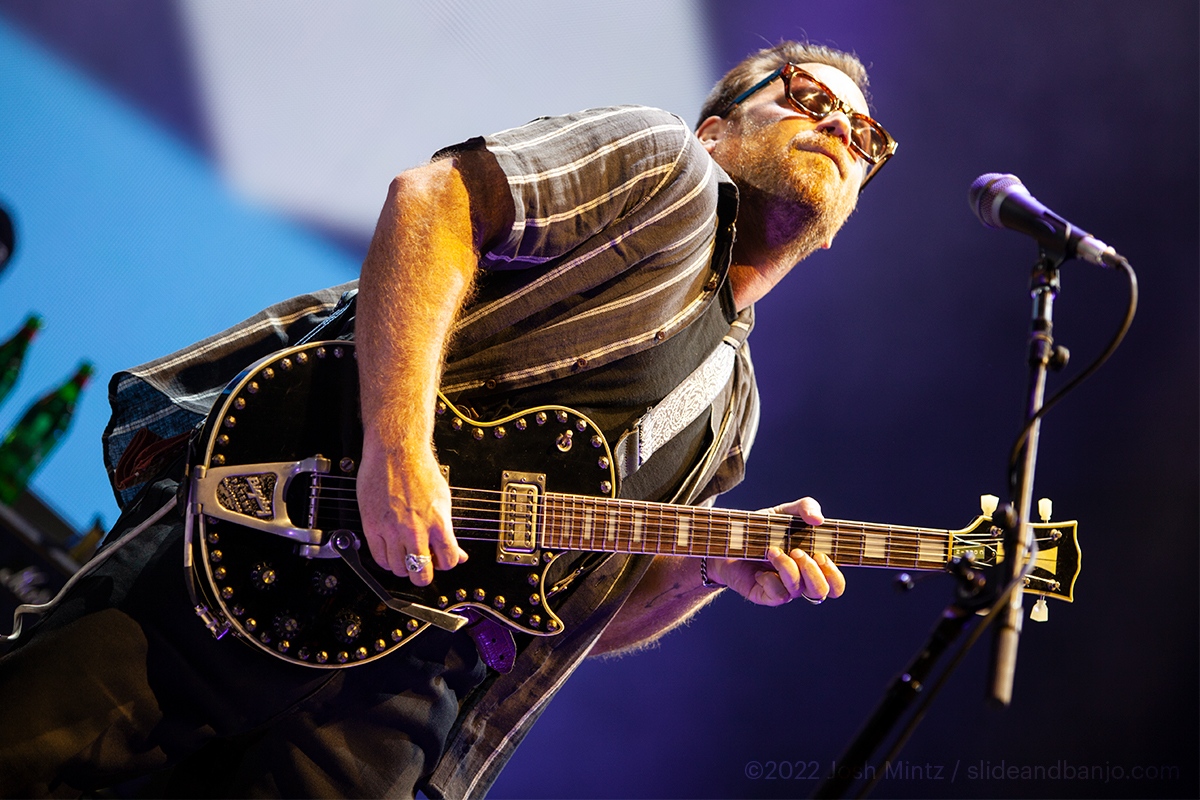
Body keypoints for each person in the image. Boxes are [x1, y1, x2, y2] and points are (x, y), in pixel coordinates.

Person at [0, 39, 895, 798]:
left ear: (843, 220)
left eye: (865, 137)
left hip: (389, 719)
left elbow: (580, 609)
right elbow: (436, 201)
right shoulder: (666, 163)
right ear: (717, 128)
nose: (837, 129)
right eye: (808, 98)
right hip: (261, 560)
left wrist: (705, 570)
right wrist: (397, 449)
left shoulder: (735, 413)